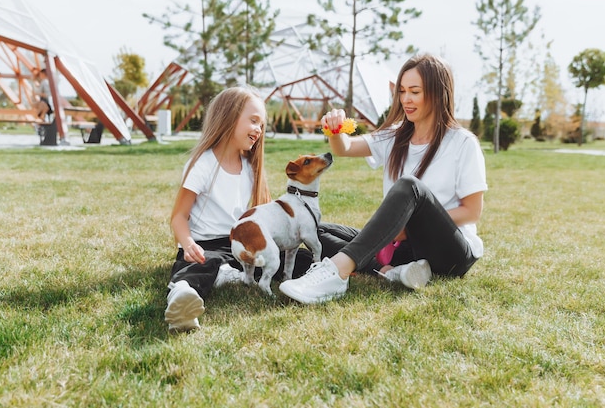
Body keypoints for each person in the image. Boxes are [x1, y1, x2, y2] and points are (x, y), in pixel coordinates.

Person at [279, 53, 488, 304]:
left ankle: (336, 271)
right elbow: (343, 148)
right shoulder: (394, 137)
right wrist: (334, 129)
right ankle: (392, 272)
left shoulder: (463, 143)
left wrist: (410, 228)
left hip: (450, 252)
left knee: (409, 187)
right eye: (401, 91)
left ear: (437, 92)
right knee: (320, 230)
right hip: (406, 251)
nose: (406, 99)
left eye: (415, 91)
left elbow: (472, 212)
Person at [164, 85, 312, 333]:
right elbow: (179, 216)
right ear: (228, 116)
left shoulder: (251, 168)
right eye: (253, 120)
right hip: (206, 244)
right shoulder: (202, 164)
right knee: (203, 267)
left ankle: (327, 274)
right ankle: (182, 297)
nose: (258, 129)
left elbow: (262, 214)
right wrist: (188, 244)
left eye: (262, 124)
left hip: (241, 241)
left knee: (299, 259)